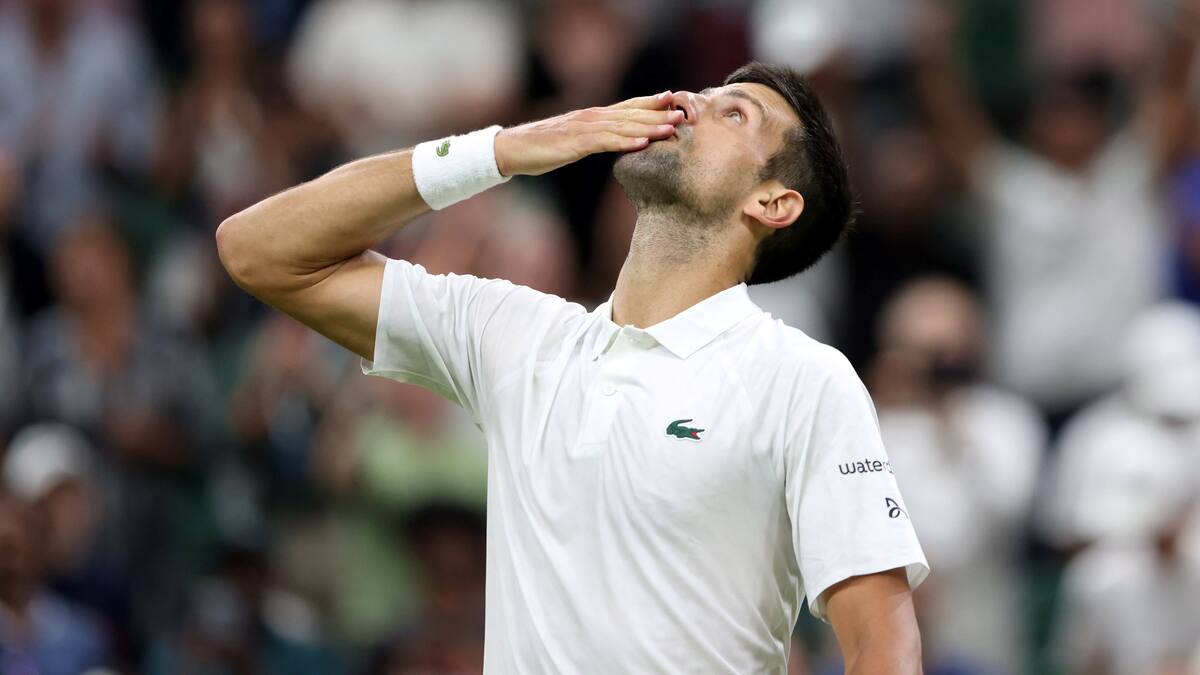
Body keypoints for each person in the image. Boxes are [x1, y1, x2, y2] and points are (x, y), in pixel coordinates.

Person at [217, 62, 929, 673]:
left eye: (733, 113)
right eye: (702, 93)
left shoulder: (802, 379)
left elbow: (883, 645)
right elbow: (258, 250)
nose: (686, 103)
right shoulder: (516, 336)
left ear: (772, 202)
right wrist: (502, 150)